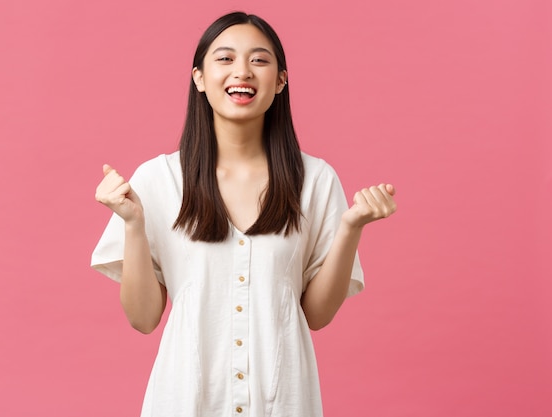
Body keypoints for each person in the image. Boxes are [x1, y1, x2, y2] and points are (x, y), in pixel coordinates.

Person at [91, 11, 396, 417]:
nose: (243, 71)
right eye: (225, 58)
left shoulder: (316, 180)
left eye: (259, 60)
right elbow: (144, 319)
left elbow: (317, 316)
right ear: (199, 77)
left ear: (281, 81)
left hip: (284, 402)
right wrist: (133, 224)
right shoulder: (158, 180)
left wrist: (350, 228)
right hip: (185, 401)